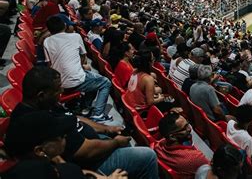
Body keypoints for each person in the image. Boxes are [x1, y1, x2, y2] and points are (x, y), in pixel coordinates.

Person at [9, 66, 159, 178]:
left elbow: (74, 118)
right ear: (41, 95)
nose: (61, 91)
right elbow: (85, 152)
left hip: (93, 144)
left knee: (122, 138)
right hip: (92, 160)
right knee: (148, 155)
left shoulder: (47, 103)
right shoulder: (32, 121)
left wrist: (106, 129)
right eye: (57, 89)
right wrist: (115, 143)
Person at [3, 111, 128, 179]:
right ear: (40, 150)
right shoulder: (36, 174)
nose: (66, 136)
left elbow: (72, 170)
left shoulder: (41, 160)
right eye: (61, 136)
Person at [43, 15, 112, 122]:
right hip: (72, 81)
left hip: (58, 82)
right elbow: (83, 57)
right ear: (65, 26)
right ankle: (98, 115)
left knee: (93, 77)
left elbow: (49, 64)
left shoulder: (46, 41)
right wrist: (78, 67)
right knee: (105, 82)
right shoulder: (75, 36)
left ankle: (85, 107)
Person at [154, 112, 209, 179]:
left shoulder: (158, 147)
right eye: (184, 128)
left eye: (188, 124)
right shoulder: (195, 158)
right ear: (172, 137)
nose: (189, 129)